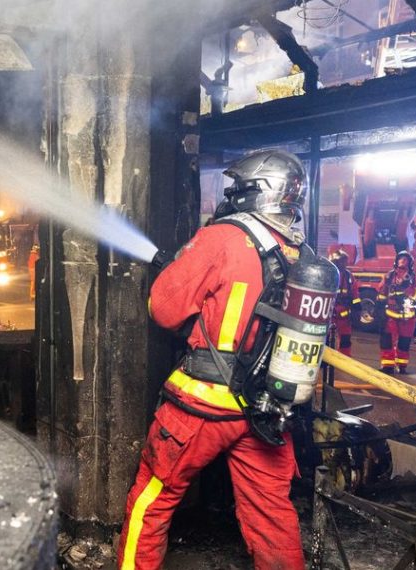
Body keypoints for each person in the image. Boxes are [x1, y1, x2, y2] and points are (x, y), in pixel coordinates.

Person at [117, 149, 309, 570]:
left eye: (238, 188)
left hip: (204, 403)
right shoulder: (298, 252)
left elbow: (165, 310)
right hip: (265, 407)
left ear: (255, 193)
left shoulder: (221, 237)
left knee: (153, 497)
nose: (231, 196)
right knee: (271, 513)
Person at [378, 250, 416, 374]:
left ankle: (402, 365)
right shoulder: (389, 276)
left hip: (407, 316)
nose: (403, 261)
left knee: (404, 342)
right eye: (401, 258)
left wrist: (409, 296)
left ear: (410, 263)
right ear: (396, 261)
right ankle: (387, 366)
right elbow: (382, 291)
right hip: (391, 314)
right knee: (387, 340)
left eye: (406, 259)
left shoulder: (414, 278)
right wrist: (379, 307)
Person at [330, 249, 360, 357]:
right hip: (330, 313)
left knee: (346, 338)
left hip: (344, 314)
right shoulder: (329, 274)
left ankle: (344, 358)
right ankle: (325, 358)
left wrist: (357, 309)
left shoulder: (349, 277)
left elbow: (355, 294)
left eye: (345, 261)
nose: (344, 264)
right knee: (326, 337)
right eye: (342, 261)